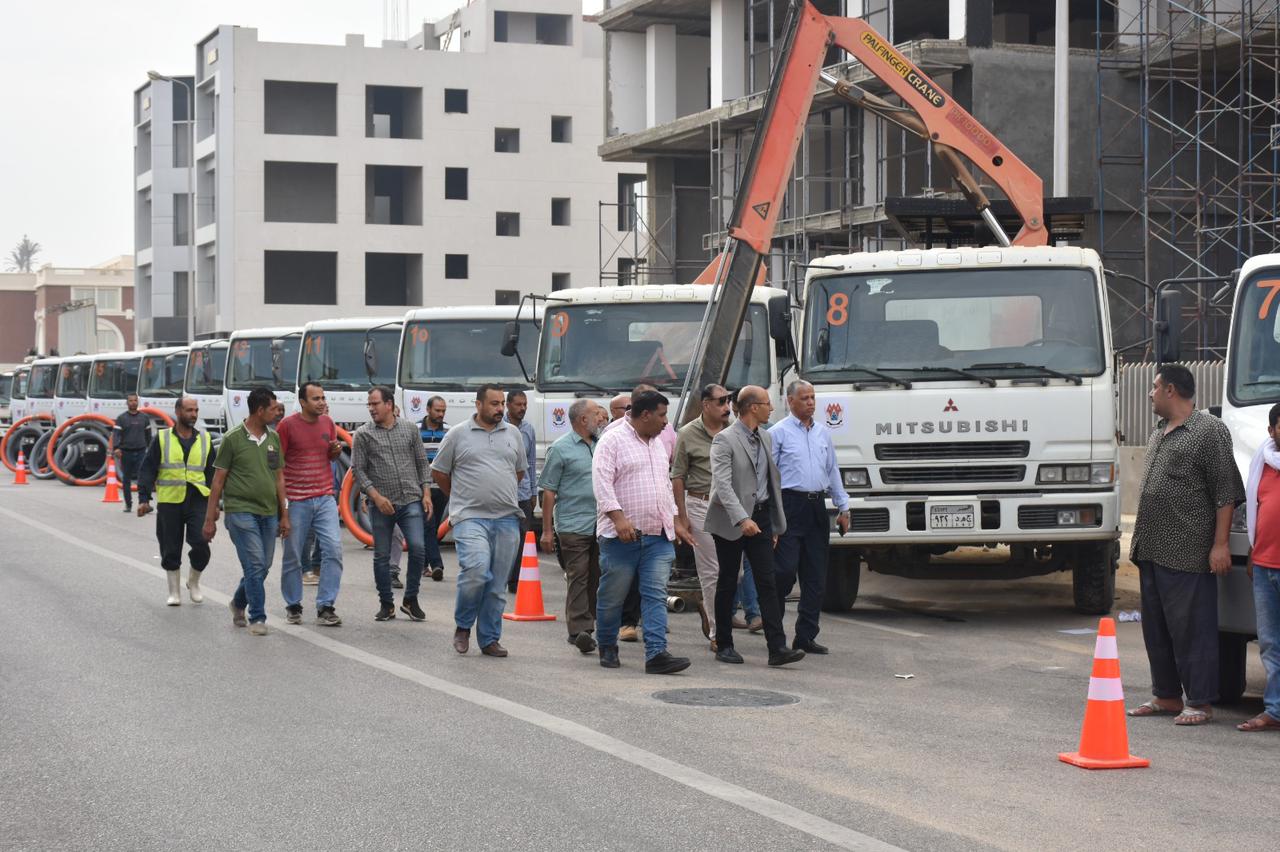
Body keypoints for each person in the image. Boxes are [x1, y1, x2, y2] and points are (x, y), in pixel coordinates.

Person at [1127, 364, 1243, 726]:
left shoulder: (1208, 430)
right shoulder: (1158, 432)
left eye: (1154, 386)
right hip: (1151, 549)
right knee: (1157, 630)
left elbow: (1226, 493)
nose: (1150, 393)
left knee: (1192, 630)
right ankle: (1166, 695)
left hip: (1187, 551)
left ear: (1171, 390)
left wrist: (1220, 545)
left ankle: (1199, 702)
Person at [704, 385, 805, 667]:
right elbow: (722, 485)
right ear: (752, 407)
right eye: (767, 403)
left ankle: (777, 648)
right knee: (728, 580)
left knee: (767, 581)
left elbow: (770, 482)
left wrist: (772, 523)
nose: (771, 408)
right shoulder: (724, 439)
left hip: (760, 516)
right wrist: (741, 518)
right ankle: (724, 644)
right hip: (731, 518)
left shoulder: (766, 437)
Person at [592, 389, 690, 674]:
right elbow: (601, 483)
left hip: (658, 536)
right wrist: (618, 518)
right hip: (621, 538)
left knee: (655, 594)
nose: (666, 421)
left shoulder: (658, 443)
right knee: (613, 596)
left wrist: (675, 520)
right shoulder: (612, 440)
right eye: (662, 415)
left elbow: (664, 486)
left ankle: (656, 654)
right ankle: (607, 645)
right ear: (645, 415)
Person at [432, 384, 527, 657]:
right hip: (470, 517)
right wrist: (460, 498)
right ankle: (463, 625)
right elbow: (439, 472)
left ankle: (489, 639)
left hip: (506, 518)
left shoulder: (513, 434)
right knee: (476, 570)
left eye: (502, 403)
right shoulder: (457, 434)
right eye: (494, 403)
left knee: (497, 586)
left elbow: (518, 471)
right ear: (478, 404)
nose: (500, 408)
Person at [769, 380, 850, 655]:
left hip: (817, 506)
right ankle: (775, 635)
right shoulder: (778, 433)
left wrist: (843, 507)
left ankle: (805, 636)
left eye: (813, 397)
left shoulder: (822, 433)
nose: (811, 402)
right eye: (804, 398)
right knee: (784, 572)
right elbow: (769, 475)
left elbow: (832, 470)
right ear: (790, 401)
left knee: (815, 575)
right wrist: (771, 515)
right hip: (789, 505)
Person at [203, 387, 290, 636]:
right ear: (260, 410)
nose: (277, 412)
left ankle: (238, 602)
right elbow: (218, 481)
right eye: (273, 408)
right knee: (254, 564)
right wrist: (210, 518)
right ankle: (258, 617)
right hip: (240, 511)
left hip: (268, 512)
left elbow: (279, 479)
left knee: (263, 566)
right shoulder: (233, 439)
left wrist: (284, 514)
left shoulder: (273, 439)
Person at [352, 386, 433, 622]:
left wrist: (426, 493)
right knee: (381, 555)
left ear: (389, 404)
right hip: (381, 505)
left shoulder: (410, 429)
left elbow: (421, 462)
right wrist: (375, 497)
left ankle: (410, 600)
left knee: (418, 548)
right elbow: (358, 470)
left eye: (375, 403)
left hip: (410, 500)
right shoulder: (363, 434)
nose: (371, 408)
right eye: (369, 404)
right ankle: (386, 604)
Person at [541, 399, 607, 655]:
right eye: (596, 414)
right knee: (578, 575)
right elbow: (549, 491)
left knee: (597, 575)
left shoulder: (603, 444)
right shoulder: (560, 449)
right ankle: (580, 631)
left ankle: (588, 623)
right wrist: (547, 531)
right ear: (582, 419)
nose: (600, 418)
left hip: (601, 523)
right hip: (572, 524)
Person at [277, 382, 345, 627]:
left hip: (325, 497)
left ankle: (326, 605)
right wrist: (283, 509)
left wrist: (335, 451)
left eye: (323, 397)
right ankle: (293, 604)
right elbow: (277, 468)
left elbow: (330, 455)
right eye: (316, 398)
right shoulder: (287, 426)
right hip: (296, 501)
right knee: (293, 555)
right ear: (302, 402)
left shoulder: (328, 423)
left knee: (333, 549)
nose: (321, 402)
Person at [137, 397, 214, 606]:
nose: (194, 414)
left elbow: (213, 473)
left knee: (201, 542)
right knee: (170, 546)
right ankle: (174, 592)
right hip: (170, 500)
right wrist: (144, 498)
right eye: (189, 410)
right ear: (178, 411)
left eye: (196, 410)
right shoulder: (163, 438)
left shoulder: (205, 439)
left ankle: (193, 581)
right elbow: (148, 468)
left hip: (198, 498)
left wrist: (215, 505)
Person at [672, 384, 732, 649]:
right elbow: (677, 476)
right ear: (706, 405)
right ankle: (717, 633)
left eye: (729, 401)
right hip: (700, 505)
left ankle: (711, 611)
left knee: (735, 570)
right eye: (721, 402)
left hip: (731, 507)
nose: (727, 407)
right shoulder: (687, 433)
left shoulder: (734, 431)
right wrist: (681, 516)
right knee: (712, 571)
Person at [1239, 403, 1280, 732]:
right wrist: (1253, 552)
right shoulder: (1261, 462)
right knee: (1270, 643)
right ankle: (1275, 711)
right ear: (1271, 431)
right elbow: (1255, 510)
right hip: (1265, 567)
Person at [505, 389, 538, 593]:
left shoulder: (528, 430)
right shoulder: (500, 427)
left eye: (525, 404)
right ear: (508, 405)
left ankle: (515, 580)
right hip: (502, 493)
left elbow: (531, 462)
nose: (522, 408)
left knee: (523, 536)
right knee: (504, 536)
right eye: (518, 404)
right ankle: (501, 575)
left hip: (523, 492)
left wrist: (534, 491)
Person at [419, 396, 449, 582]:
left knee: (433, 527)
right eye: (437, 410)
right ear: (428, 409)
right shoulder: (415, 429)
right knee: (428, 525)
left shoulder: (449, 431)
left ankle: (422, 565)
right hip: (424, 489)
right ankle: (437, 565)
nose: (441, 414)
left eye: (443, 411)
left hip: (441, 488)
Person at [112, 393, 151, 513]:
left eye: (135, 400)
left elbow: (148, 435)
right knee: (126, 480)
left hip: (141, 452)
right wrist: (116, 448)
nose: (133, 402)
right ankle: (128, 504)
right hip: (126, 452)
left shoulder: (144, 418)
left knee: (143, 478)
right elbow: (116, 435)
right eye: (131, 400)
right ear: (127, 403)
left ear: (138, 402)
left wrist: (149, 449)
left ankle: (144, 503)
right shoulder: (121, 418)